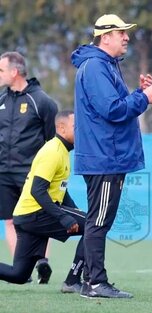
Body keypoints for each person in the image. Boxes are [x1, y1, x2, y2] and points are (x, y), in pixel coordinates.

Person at [71, 14, 152, 299]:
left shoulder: (104, 65)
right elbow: (112, 110)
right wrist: (144, 98)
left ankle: (81, 280)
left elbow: (116, 106)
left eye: (126, 33)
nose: (126, 37)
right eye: (120, 32)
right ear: (105, 37)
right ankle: (94, 283)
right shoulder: (96, 67)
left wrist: (139, 93)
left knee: (99, 220)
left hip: (106, 156)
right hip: (104, 157)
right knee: (98, 222)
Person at [0, 110, 86, 294]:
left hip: (25, 217)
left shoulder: (62, 150)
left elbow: (60, 191)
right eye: (75, 126)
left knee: (19, 275)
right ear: (61, 128)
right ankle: (73, 280)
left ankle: (77, 279)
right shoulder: (53, 151)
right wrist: (64, 218)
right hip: (35, 214)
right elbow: (37, 190)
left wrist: (75, 212)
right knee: (95, 225)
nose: (81, 130)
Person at [0, 51, 58, 284]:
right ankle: (19, 271)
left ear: (15, 72)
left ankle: (42, 261)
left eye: (1, 70)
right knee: (10, 221)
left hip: (31, 173)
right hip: (3, 172)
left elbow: (53, 140)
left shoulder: (41, 100)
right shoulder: (1, 101)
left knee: (39, 217)